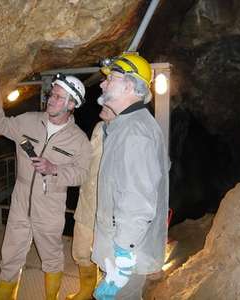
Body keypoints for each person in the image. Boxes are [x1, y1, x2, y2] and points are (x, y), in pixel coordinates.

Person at [0, 70, 92, 300]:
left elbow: (82, 174)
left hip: (51, 204)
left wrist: (55, 169)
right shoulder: (28, 120)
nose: (51, 99)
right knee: (10, 256)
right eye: (52, 94)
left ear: (72, 104)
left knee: (51, 258)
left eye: (59, 97)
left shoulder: (79, 140)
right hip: (21, 200)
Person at [91, 53, 170, 300]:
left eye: (111, 78)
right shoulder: (125, 125)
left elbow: (137, 201)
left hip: (125, 255)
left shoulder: (136, 133)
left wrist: (122, 264)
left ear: (129, 85)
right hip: (118, 248)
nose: (103, 83)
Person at [66, 104, 116, 300]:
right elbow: (88, 157)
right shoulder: (99, 127)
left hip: (108, 208)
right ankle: (87, 290)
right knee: (80, 250)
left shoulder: (127, 133)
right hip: (87, 201)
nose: (103, 102)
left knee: (107, 258)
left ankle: (104, 293)